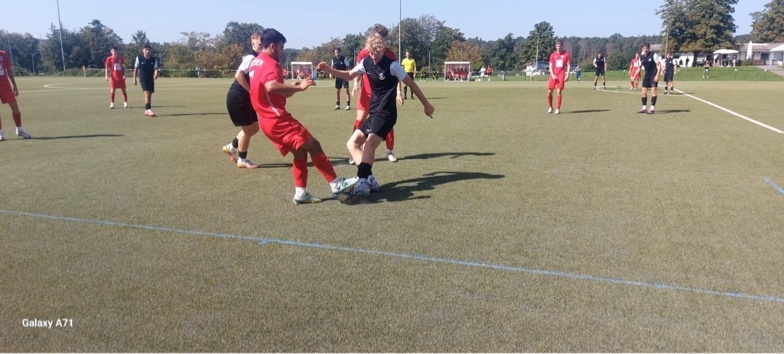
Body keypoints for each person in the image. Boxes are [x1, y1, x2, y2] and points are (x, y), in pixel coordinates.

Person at [318, 33, 434, 199]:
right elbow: (350, 75)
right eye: (371, 53)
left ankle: (362, 182)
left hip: (387, 113)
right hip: (374, 113)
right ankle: (369, 177)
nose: (374, 57)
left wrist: (426, 105)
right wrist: (329, 70)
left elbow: (412, 84)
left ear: (382, 50)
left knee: (370, 144)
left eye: (377, 53)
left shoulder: (393, 65)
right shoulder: (366, 62)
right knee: (352, 144)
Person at [248, 28, 355, 204]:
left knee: (299, 153)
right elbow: (271, 87)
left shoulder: (256, 62)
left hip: (265, 121)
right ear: (273, 46)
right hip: (278, 120)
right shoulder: (271, 64)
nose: (282, 52)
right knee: (314, 145)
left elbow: (269, 91)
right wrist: (300, 87)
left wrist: (291, 87)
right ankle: (336, 185)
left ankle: (300, 193)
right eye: (281, 48)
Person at [351, 25, 400, 163]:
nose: (378, 40)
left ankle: (389, 151)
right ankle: (355, 150)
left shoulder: (390, 55)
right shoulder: (364, 53)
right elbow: (356, 71)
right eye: (376, 36)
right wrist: (356, 83)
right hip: (366, 94)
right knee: (360, 121)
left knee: (387, 124)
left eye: (381, 38)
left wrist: (398, 92)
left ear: (385, 40)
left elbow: (398, 75)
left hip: (383, 97)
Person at [221, 31, 263, 169]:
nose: (261, 44)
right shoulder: (250, 57)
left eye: (263, 41)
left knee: (255, 127)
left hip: (245, 98)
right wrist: (252, 92)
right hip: (238, 96)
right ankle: (242, 160)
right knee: (247, 130)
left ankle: (231, 146)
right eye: (259, 42)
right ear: (253, 43)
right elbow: (238, 75)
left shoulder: (259, 58)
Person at [0, 49, 31, 140]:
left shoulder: (3, 54)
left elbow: (9, 70)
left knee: (15, 108)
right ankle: (0, 133)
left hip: (5, 85)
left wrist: (14, 85)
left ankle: (19, 129)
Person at [133, 44, 160, 117]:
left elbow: (156, 68)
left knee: (149, 94)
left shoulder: (154, 59)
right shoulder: (139, 58)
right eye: (146, 50)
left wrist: (156, 74)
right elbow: (136, 69)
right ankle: (149, 110)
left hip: (150, 78)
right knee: (147, 92)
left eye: (149, 50)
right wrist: (134, 78)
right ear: (143, 50)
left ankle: (146, 110)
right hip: (143, 78)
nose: (148, 51)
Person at [547, 39, 571, 115]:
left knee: (558, 92)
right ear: (555, 46)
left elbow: (568, 65)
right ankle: (550, 107)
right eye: (557, 46)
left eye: (560, 46)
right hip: (553, 75)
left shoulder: (566, 55)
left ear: (562, 46)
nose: (558, 47)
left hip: (561, 75)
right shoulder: (553, 55)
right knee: (549, 92)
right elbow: (550, 66)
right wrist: (552, 74)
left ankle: (558, 109)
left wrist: (567, 75)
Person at [638, 43, 661, 114]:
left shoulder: (653, 55)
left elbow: (659, 66)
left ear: (649, 48)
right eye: (644, 48)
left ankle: (652, 108)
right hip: (647, 75)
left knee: (653, 91)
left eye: (647, 48)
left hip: (653, 75)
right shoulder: (641, 57)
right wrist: (634, 76)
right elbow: (639, 67)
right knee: (643, 92)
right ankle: (644, 108)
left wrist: (657, 75)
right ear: (642, 49)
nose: (645, 49)